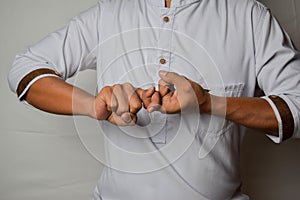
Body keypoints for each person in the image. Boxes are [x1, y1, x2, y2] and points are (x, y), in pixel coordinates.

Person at [8, 0, 300, 199]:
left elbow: (298, 107)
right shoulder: (110, 13)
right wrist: (92, 105)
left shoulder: (249, 16)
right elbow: (24, 69)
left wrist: (209, 103)